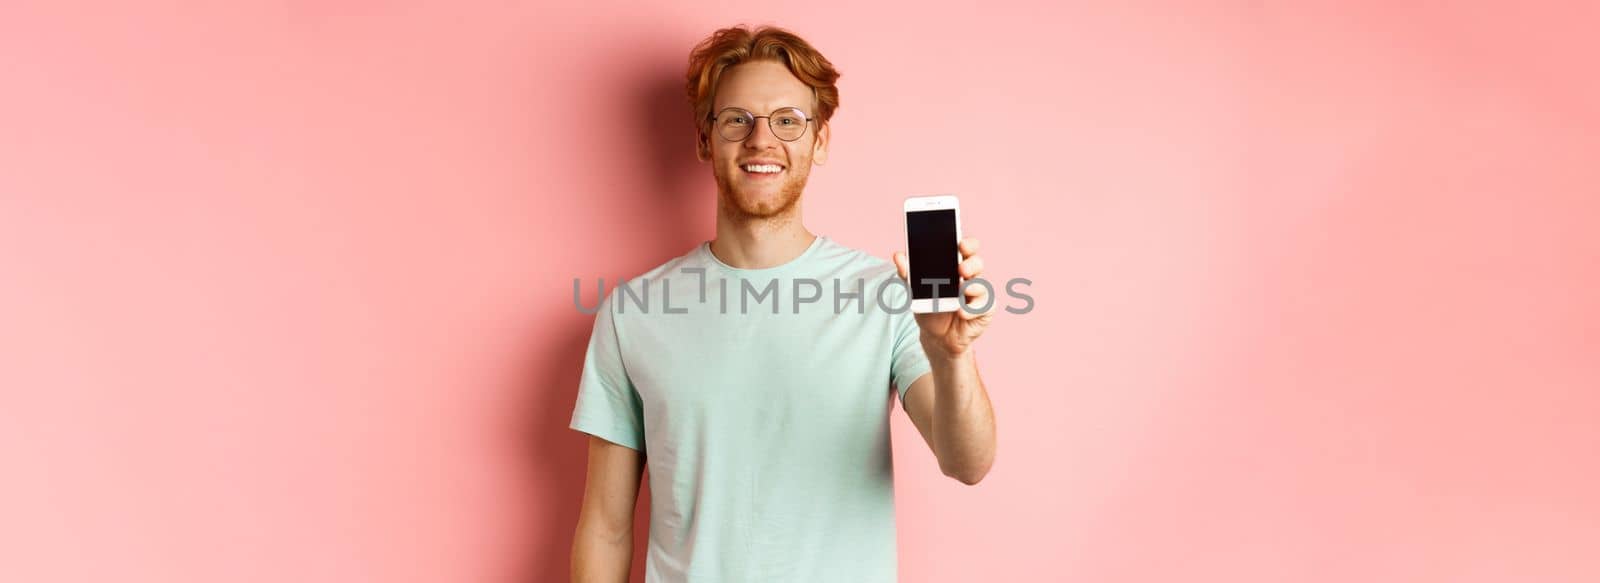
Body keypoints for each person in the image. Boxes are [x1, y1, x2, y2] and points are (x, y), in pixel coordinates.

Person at [568, 25, 998, 583]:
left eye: (788, 121)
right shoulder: (632, 312)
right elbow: (605, 527)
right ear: (706, 140)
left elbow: (968, 463)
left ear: (819, 142)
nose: (761, 141)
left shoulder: (890, 298)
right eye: (737, 120)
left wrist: (951, 356)